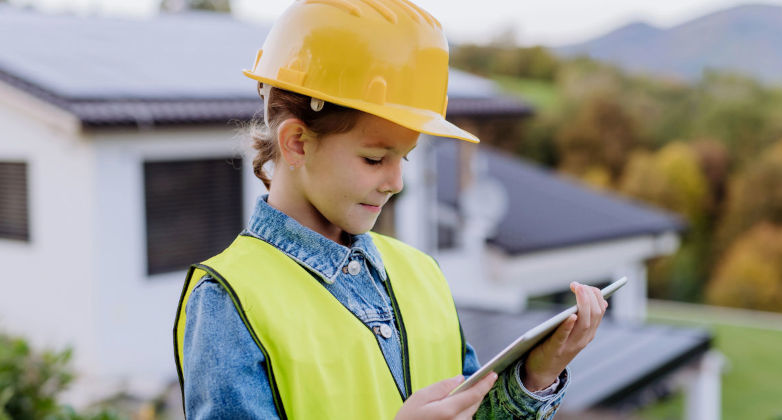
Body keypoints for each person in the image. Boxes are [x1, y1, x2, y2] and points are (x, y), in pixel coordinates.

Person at [172, 0, 608, 419]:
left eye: (406, 157)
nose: (396, 182)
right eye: (375, 159)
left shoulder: (419, 272)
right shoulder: (229, 300)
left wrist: (538, 375)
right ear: (297, 143)